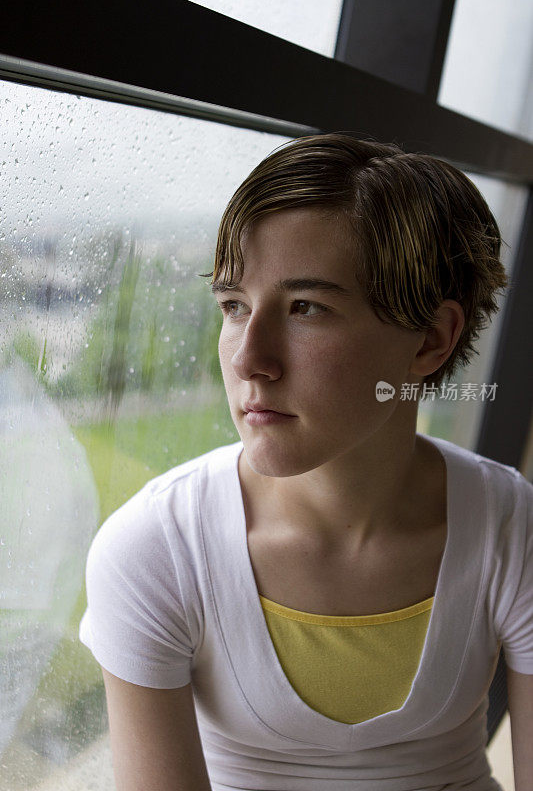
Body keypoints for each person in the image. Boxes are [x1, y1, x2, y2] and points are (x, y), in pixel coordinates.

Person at [79, 133, 533, 790]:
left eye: (305, 308)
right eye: (233, 306)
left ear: (431, 341)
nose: (246, 359)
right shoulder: (157, 547)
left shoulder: (510, 528)